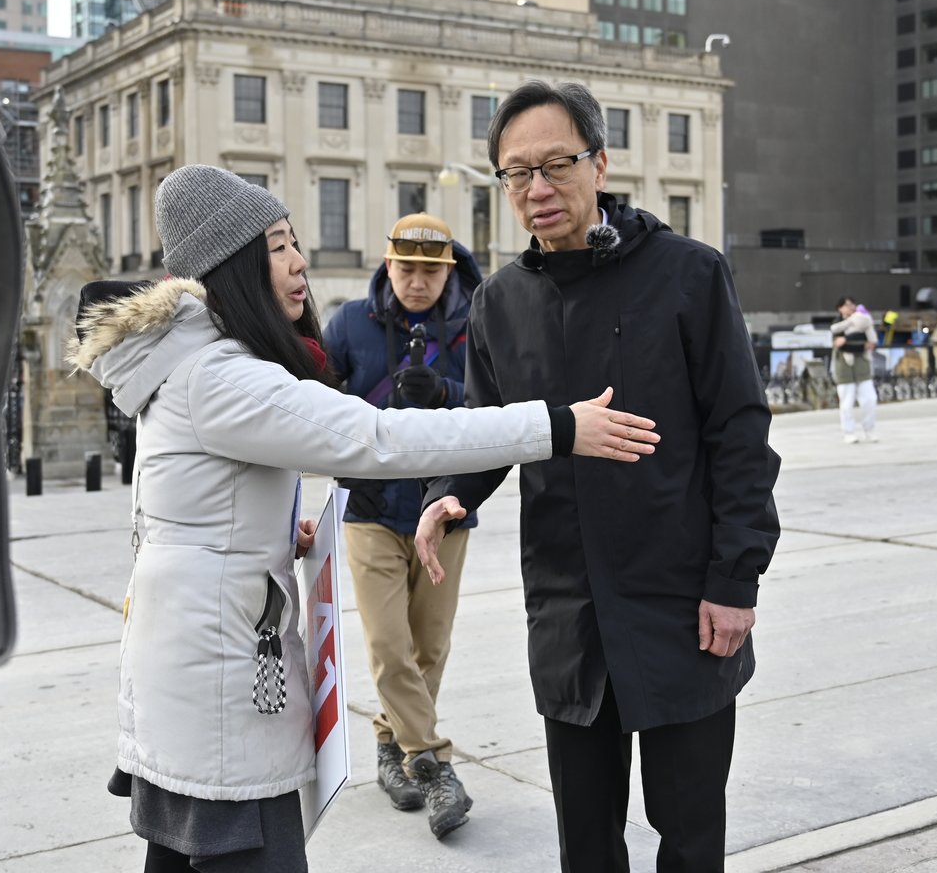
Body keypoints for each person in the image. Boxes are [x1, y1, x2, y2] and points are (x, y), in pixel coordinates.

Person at [67, 164, 661, 873]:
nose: (298, 263)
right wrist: (558, 426)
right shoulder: (221, 375)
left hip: (189, 658)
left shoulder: (189, 362)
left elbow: (182, 505)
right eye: (278, 245)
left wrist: (267, 533)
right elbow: (380, 439)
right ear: (233, 268)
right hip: (218, 674)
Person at [413, 80, 781, 873]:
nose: (537, 189)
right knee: (586, 843)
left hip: (685, 603)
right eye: (516, 173)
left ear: (601, 164)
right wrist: (450, 494)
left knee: (688, 838)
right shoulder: (499, 304)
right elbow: (489, 430)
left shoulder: (689, 274)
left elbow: (741, 435)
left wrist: (735, 580)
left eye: (556, 165)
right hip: (569, 610)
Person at [321, 212, 481, 838]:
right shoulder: (349, 326)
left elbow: (503, 404)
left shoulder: (474, 326)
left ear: (449, 269)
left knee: (428, 649)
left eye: (430, 271)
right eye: (406, 268)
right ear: (388, 265)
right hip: (371, 510)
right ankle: (434, 765)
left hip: (446, 511)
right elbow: (316, 403)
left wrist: (446, 391)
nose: (417, 282)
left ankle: (391, 750)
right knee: (390, 648)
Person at [829, 296, 879, 444]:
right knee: (846, 401)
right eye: (847, 305)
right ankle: (849, 432)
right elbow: (840, 344)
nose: (851, 307)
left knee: (870, 399)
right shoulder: (837, 324)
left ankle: (869, 430)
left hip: (862, 362)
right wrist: (858, 343)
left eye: (853, 304)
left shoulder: (863, 320)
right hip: (844, 365)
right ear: (840, 308)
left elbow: (870, 342)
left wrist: (850, 340)